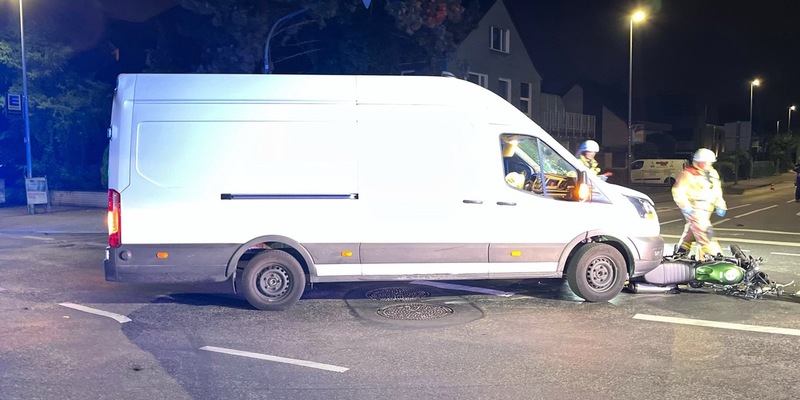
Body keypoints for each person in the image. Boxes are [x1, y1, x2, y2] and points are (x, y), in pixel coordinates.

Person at [671, 148, 727, 260]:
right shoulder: (688, 174)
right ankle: (716, 257)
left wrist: (720, 205)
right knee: (704, 233)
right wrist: (685, 206)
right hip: (694, 208)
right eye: (705, 162)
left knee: (691, 233)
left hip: (707, 209)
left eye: (709, 162)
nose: (707, 165)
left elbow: (717, 191)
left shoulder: (712, 173)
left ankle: (681, 253)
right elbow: (678, 191)